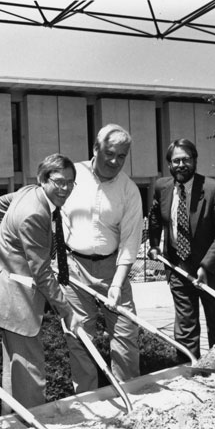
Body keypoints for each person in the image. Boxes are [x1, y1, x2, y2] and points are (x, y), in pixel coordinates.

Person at [0, 154, 84, 413]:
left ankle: (13, 422)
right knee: (29, 368)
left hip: (5, 282)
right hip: (16, 293)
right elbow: (42, 273)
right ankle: (35, 423)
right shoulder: (35, 214)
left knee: (15, 364)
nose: (65, 189)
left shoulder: (28, 192)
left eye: (70, 183)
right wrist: (68, 312)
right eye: (59, 182)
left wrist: (12, 238)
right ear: (44, 179)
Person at [59, 124, 143, 394]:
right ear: (95, 149)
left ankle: (129, 393)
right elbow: (49, 211)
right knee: (79, 336)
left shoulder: (129, 190)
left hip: (112, 267)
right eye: (109, 153)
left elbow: (130, 240)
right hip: (74, 267)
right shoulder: (71, 176)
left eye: (121, 156)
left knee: (126, 332)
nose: (114, 161)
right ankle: (87, 398)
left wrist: (117, 284)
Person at [147, 138, 215, 359]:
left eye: (186, 159)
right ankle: (188, 372)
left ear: (195, 161)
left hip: (213, 272)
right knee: (185, 328)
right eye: (176, 160)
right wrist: (154, 244)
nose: (180, 165)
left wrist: (206, 267)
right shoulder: (162, 187)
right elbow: (156, 217)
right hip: (179, 268)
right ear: (169, 164)